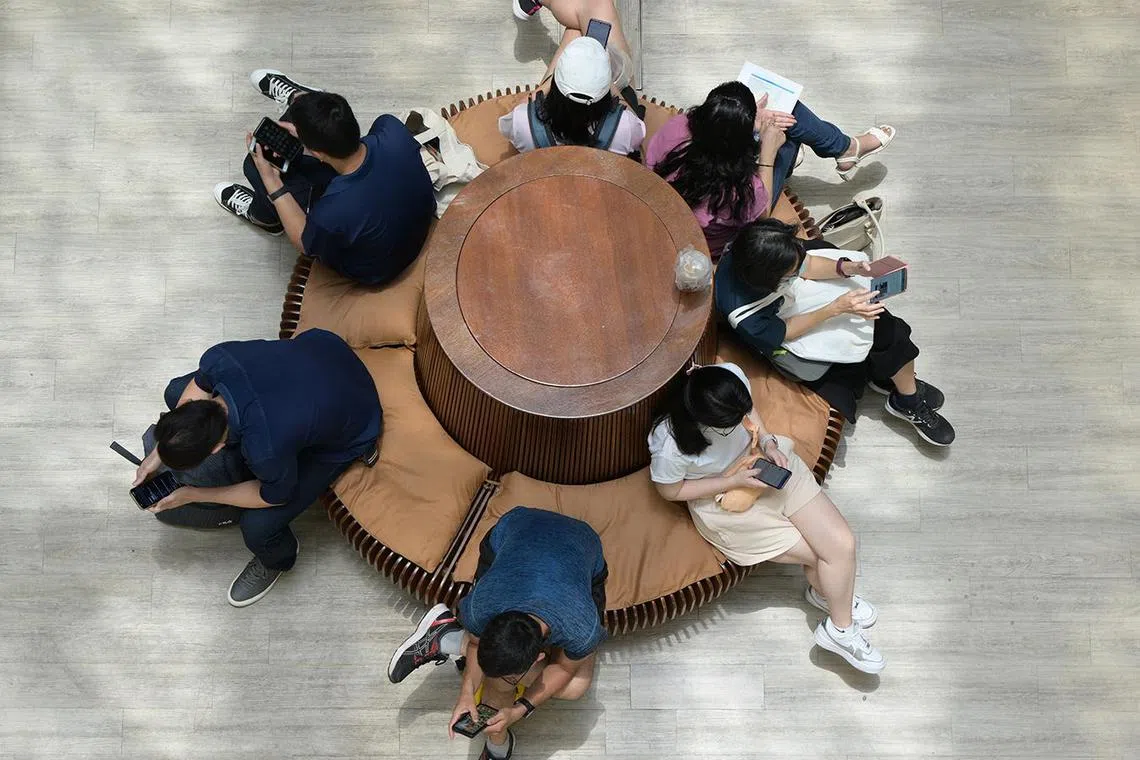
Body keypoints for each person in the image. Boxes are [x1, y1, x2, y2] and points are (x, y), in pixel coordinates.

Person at [648, 363, 884, 674]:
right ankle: (840, 618)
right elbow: (671, 491)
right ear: (705, 421)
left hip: (761, 465)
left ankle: (835, 609)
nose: (740, 423)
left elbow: (751, 414)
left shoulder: (730, 377)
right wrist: (732, 481)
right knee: (822, 557)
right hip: (724, 501)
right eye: (729, 424)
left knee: (842, 545)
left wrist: (768, 443)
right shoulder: (670, 445)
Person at [131, 328, 382, 607]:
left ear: (216, 449)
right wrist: (159, 452)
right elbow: (192, 393)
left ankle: (277, 560)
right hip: (324, 347)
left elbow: (274, 496)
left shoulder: (265, 450)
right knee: (174, 390)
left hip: (356, 418)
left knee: (258, 526)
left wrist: (193, 494)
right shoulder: (218, 358)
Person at [387, 507, 607, 760]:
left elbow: (565, 669)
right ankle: (496, 745)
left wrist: (521, 709)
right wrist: (466, 692)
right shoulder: (481, 608)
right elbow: (476, 644)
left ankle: (449, 638)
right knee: (502, 678)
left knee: (576, 687)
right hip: (514, 527)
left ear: (539, 656)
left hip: (582, 541)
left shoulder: (581, 627)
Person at [715, 218, 955, 446]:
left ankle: (899, 387)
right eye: (791, 274)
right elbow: (786, 331)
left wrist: (848, 268)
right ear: (770, 281)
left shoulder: (756, 246)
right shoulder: (744, 316)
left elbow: (808, 265)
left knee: (880, 322)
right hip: (788, 328)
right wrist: (835, 308)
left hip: (790, 303)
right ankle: (906, 399)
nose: (798, 273)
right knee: (883, 329)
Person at [213, 69, 436, 286]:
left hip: (378, 270)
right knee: (302, 133)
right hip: (420, 220)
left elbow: (303, 242)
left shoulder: (330, 212)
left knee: (253, 167)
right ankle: (301, 97)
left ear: (317, 153)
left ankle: (267, 220)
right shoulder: (391, 128)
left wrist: (272, 181)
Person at [645, 80, 896, 256]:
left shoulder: (679, 125)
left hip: (672, 212)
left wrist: (743, 118)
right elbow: (761, 212)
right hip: (709, 243)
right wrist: (767, 151)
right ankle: (846, 149)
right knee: (789, 122)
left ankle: (845, 148)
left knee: (783, 117)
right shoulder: (738, 189)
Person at [501, 1, 646, 155]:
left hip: (546, 154)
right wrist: (607, 80)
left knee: (580, 25)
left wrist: (552, 80)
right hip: (602, 161)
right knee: (591, 13)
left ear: (555, 86)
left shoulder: (523, 125)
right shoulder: (624, 129)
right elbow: (635, 121)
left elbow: (518, 114)